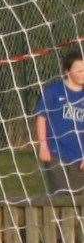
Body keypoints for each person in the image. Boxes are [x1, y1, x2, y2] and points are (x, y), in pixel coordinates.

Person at [34, 48, 84, 198]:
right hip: (56, 153)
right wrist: (43, 146)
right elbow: (41, 117)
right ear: (68, 71)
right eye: (79, 70)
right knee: (60, 197)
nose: (83, 73)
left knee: (77, 200)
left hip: (79, 156)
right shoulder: (54, 91)